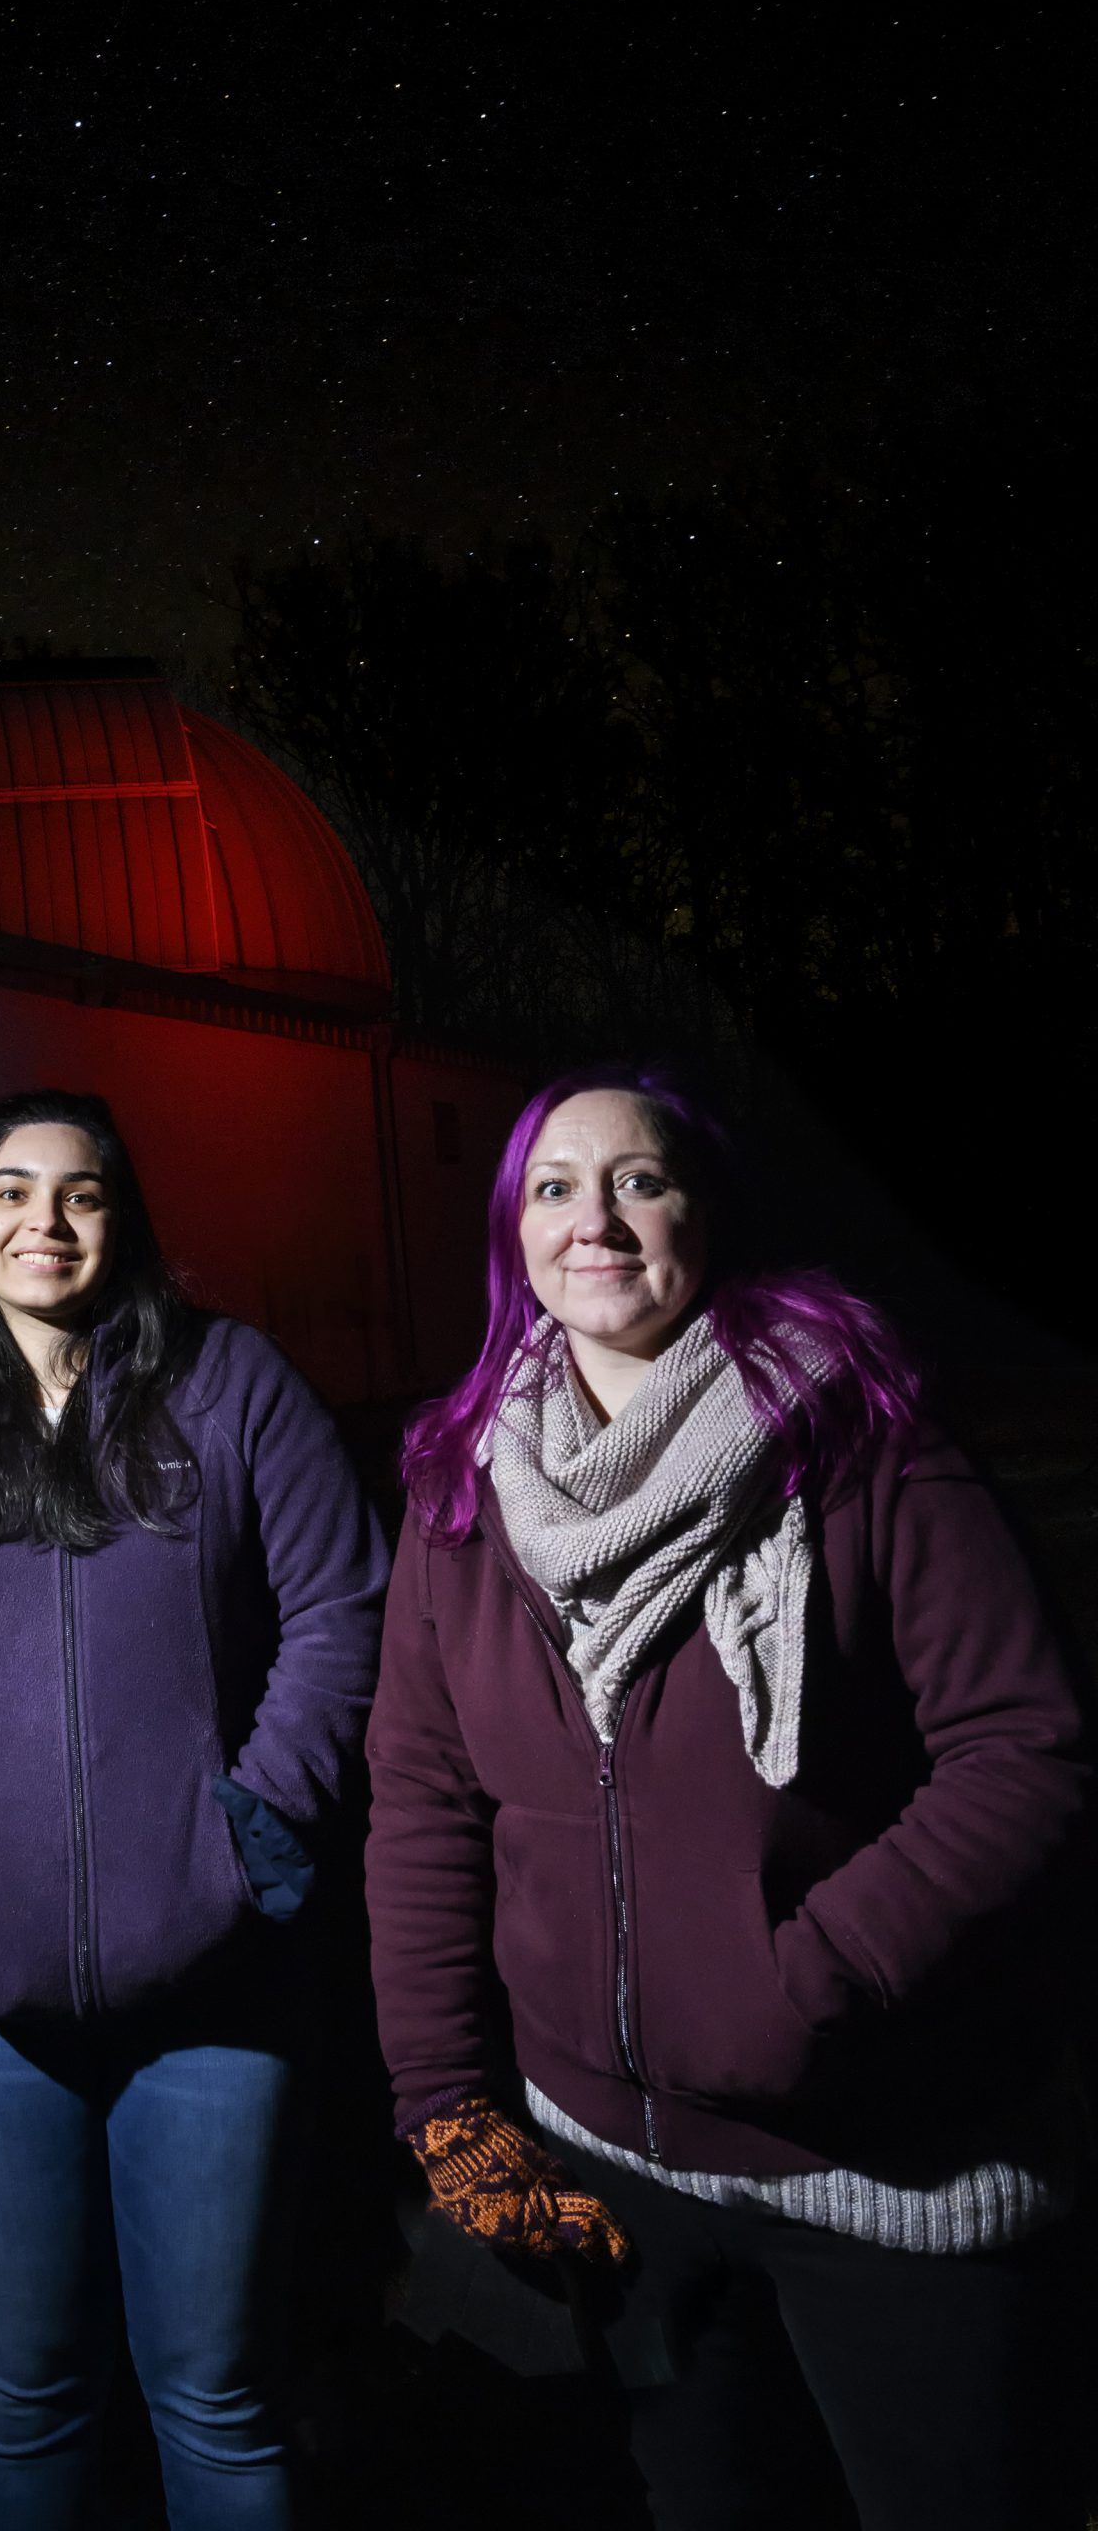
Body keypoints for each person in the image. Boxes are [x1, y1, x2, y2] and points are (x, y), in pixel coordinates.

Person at [365, 1066, 1091, 2531]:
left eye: (640, 1181)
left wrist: (808, 1983)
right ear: (515, 1233)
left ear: (705, 1213)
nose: (597, 1222)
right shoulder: (462, 1488)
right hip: (612, 2172)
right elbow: (426, 1799)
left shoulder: (859, 1440)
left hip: (886, 2173)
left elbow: (1028, 1748)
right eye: (555, 1188)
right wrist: (447, 2102)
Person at [0, 1088, 388, 2530]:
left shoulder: (232, 1388)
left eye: (80, 1194)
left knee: (218, 2398)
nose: (45, 1221)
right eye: (12, 1191)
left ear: (123, 1224)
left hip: (219, 1997)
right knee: (26, 2396)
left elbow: (342, 1610)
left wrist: (256, 1830)